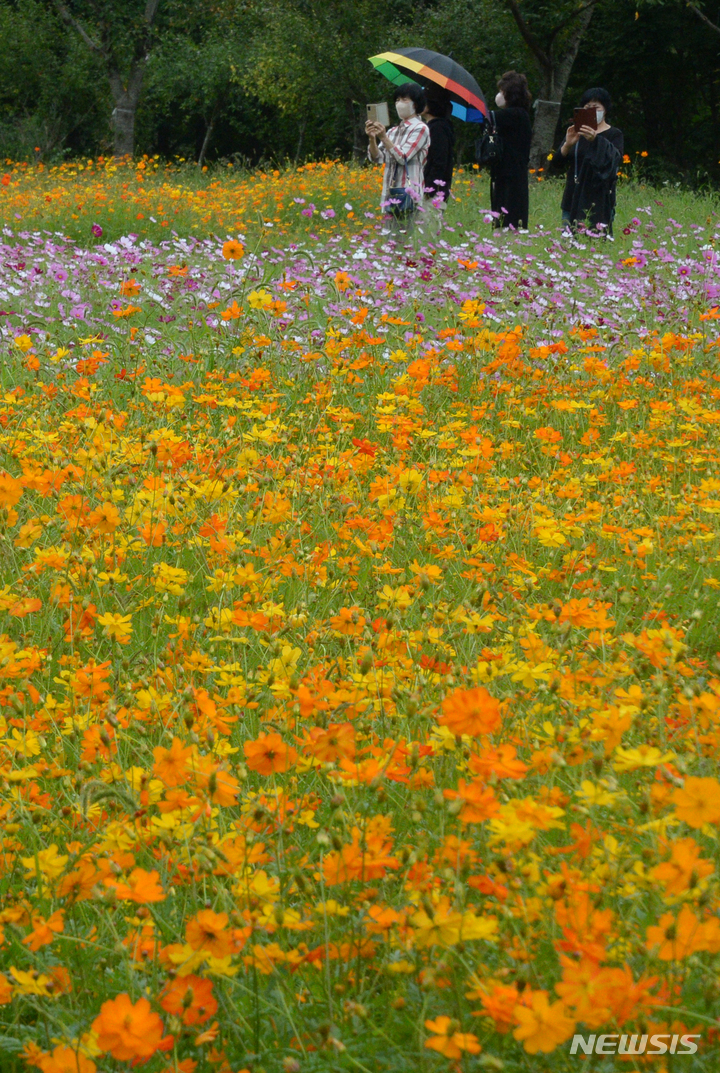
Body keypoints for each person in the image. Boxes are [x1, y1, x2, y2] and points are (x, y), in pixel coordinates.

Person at [550, 87, 623, 235]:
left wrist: (595, 139)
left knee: (596, 244)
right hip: (572, 198)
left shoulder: (614, 134)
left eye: (596, 108)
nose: (591, 111)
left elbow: (614, 161)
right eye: (587, 107)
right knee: (568, 245)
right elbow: (556, 165)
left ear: (605, 109)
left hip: (599, 200)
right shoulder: (576, 133)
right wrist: (567, 144)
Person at [366, 82, 429, 236]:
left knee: (407, 240)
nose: (399, 104)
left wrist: (384, 137)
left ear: (416, 104)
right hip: (390, 194)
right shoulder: (394, 130)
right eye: (397, 100)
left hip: (409, 195)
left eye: (404, 100)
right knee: (390, 242)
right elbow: (377, 158)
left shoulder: (420, 128)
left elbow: (403, 157)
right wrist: (372, 138)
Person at [489, 71, 532, 230]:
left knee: (509, 220)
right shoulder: (519, 115)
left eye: (502, 92)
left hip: (511, 176)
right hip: (508, 174)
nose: (499, 95)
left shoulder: (514, 114)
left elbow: (486, 119)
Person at [421, 91, 455, 240]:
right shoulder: (435, 126)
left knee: (428, 235)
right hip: (430, 189)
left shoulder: (438, 128)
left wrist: (428, 189)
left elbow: (439, 163)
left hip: (432, 192)